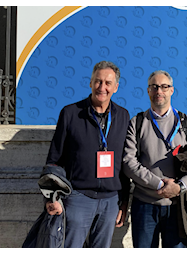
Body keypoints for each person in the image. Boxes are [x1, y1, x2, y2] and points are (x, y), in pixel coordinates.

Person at [45, 61, 130, 248]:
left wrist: (124, 202)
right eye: (98, 82)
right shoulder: (70, 113)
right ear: (90, 83)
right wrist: (51, 198)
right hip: (77, 198)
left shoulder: (123, 116)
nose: (102, 87)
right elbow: (54, 161)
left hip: (110, 201)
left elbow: (125, 164)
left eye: (108, 83)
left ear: (116, 87)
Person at [122, 70, 187, 248]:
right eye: (154, 87)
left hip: (179, 206)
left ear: (172, 90)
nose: (159, 91)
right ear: (148, 91)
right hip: (145, 205)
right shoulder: (137, 123)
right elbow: (128, 163)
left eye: (164, 87)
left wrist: (179, 187)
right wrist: (159, 185)